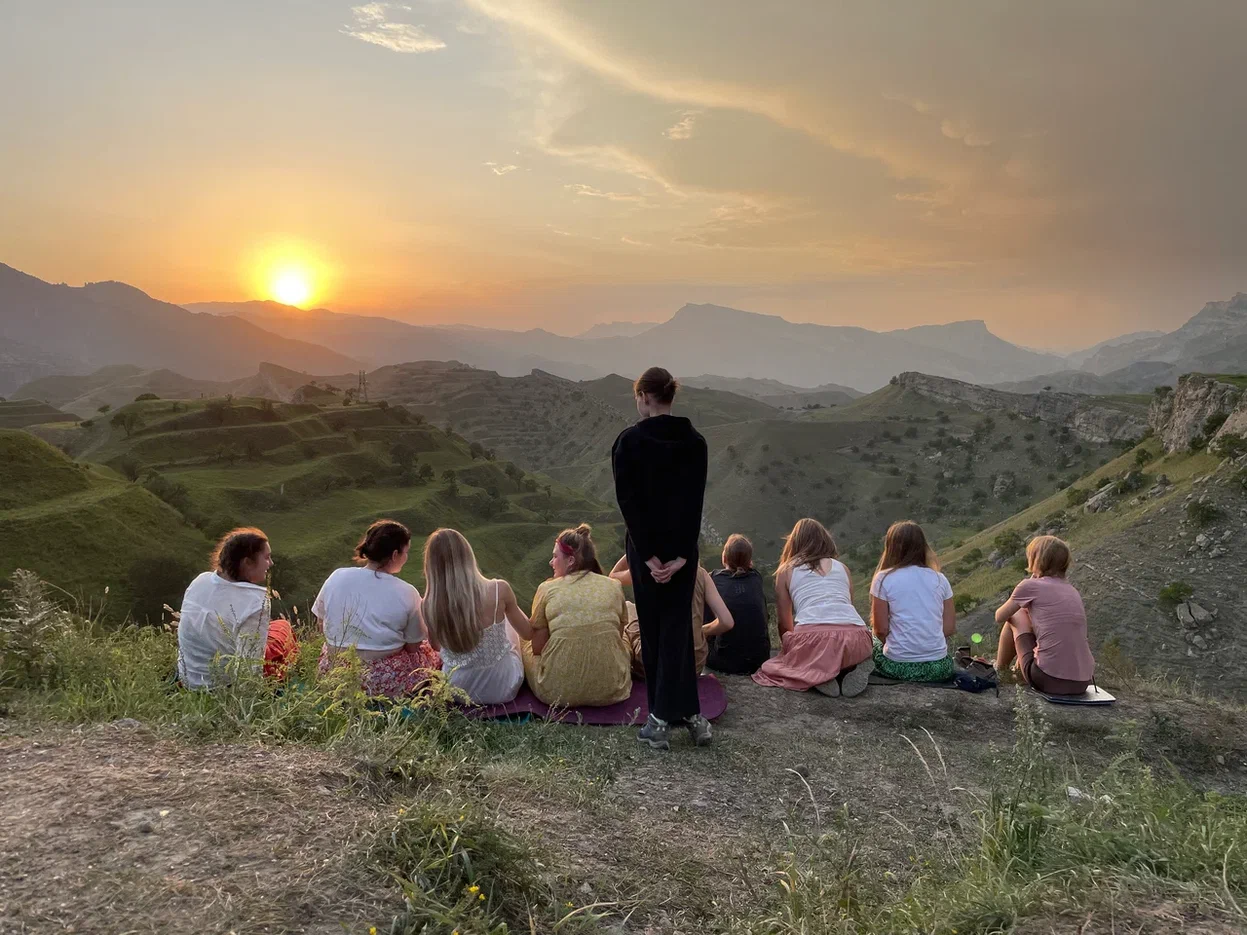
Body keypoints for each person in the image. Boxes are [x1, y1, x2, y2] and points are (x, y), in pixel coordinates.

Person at [612, 366, 710, 750]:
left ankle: (658, 719)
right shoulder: (696, 442)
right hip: (683, 552)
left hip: (644, 551)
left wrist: (649, 556)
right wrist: (683, 555)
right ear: (672, 396)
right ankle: (691, 714)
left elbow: (629, 504)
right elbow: (694, 503)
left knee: (653, 631)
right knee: (679, 628)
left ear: (644, 397)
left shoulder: (629, 442)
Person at [313, 519, 441, 698]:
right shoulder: (406, 591)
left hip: (334, 670)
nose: (406, 557)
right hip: (379, 679)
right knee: (431, 651)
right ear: (395, 554)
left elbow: (321, 623)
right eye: (406, 552)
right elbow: (413, 646)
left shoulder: (337, 576)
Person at [752, 519, 872, 696]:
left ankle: (816, 674)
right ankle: (851, 666)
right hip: (857, 639)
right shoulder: (843, 568)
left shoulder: (786, 570)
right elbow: (847, 609)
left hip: (815, 644)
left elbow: (785, 624)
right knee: (841, 645)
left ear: (794, 542)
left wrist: (791, 650)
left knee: (773, 666)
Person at [521, 524, 632, 707]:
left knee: (523, 638)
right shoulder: (613, 585)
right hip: (613, 688)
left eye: (555, 556)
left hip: (555, 692)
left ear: (571, 561)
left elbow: (538, 648)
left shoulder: (547, 588)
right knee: (623, 637)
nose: (551, 562)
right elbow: (618, 637)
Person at [422, 527, 534, 705]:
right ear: (468, 555)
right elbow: (527, 633)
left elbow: (436, 646)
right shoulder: (499, 590)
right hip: (502, 688)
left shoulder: (428, 603)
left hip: (456, 691)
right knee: (509, 625)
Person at [177, 527, 297, 689]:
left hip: (187, 677)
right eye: (266, 558)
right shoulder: (255, 603)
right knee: (283, 628)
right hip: (222, 687)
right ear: (247, 562)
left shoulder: (200, 581)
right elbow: (250, 668)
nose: (271, 563)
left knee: (273, 628)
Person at [993, 535, 1095, 695]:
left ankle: (1000, 670)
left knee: (1017, 614)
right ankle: (1018, 671)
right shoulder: (1072, 590)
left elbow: (999, 616)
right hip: (1082, 682)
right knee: (1040, 620)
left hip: (1047, 678)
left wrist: (1027, 586)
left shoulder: (1029, 586)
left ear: (1036, 560)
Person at [615, 556, 733, 679]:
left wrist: (635, 548)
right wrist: (702, 630)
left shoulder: (647, 570)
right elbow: (726, 622)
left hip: (652, 667)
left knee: (628, 608)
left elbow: (613, 576)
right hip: (693, 666)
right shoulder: (700, 573)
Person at [869, 521, 955, 682]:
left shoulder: (883, 578)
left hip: (898, 667)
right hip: (938, 667)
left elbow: (880, 630)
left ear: (891, 547)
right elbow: (949, 628)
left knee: (871, 639)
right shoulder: (940, 579)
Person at [705, 534, 771, 675]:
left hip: (722, 661)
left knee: (708, 601)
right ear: (750, 561)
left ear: (724, 558)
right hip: (759, 660)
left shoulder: (713, 578)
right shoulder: (756, 577)